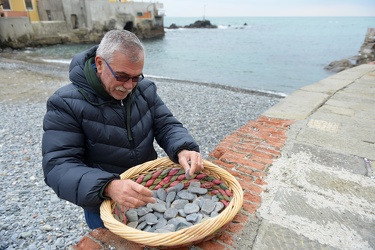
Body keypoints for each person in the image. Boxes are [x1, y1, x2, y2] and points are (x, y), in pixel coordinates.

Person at [42, 30, 203, 229]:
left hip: (146, 190)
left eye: (136, 77)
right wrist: (109, 186)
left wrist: (182, 148)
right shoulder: (65, 103)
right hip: (103, 203)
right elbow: (58, 166)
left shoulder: (144, 89)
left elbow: (165, 124)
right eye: (122, 76)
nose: (129, 86)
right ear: (99, 64)